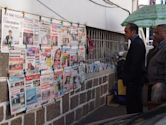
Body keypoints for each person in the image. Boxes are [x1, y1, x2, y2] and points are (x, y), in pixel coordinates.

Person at [123, 23, 146, 114]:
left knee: (134, 105)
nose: (125, 34)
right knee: (133, 104)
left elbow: (135, 64)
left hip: (134, 81)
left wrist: (128, 78)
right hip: (134, 80)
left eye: (126, 32)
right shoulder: (135, 43)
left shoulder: (137, 43)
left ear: (133, 31)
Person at [147, 24, 166, 108]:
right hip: (154, 84)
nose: (154, 35)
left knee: (156, 114)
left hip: (160, 86)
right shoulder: (159, 47)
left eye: (157, 33)